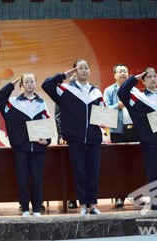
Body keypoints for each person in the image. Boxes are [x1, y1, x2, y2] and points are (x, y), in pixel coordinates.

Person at [42, 59, 105, 216]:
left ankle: (93, 204)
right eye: (80, 68)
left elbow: (104, 112)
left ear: (89, 71)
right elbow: (46, 85)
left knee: (93, 172)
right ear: (75, 71)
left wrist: (105, 123)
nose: (83, 70)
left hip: (94, 138)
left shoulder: (96, 91)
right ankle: (83, 204)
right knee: (80, 172)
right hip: (75, 139)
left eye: (86, 67)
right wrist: (63, 75)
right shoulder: (65, 89)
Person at [117, 67, 157, 210]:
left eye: (155, 76)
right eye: (149, 76)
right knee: (154, 176)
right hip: (149, 144)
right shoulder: (137, 98)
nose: (153, 78)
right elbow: (122, 93)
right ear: (144, 81)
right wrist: (136, 78)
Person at [0, 73, 51, 217]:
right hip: (20, 148)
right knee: (22, 178)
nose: (29, 84)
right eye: (26, 82)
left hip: (38, 148)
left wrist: (47, 140)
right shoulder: (13, 102)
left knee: (37, 179)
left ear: (35, 84)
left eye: (32, 81)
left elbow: (46, 122)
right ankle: (25, 208)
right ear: (22, 85)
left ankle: (36, 208)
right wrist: (10, 85)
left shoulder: (41, 102)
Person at [103, 63, 139, 208]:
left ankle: (137, 195)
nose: (123, 73)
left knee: (135, 164)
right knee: (119, 165)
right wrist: (117, 106)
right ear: (114, 75)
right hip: (117, 131)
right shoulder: (109, 91)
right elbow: (104, 110)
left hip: (134, 131)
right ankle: (119, 196)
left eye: (125, 71)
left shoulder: (135, 90)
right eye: (120, 71)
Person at [54, 103, 78, 210]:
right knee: (69, 170)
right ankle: (72, 198)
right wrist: (61, 135)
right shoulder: (62, 97)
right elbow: (58, 117)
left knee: (83, 168)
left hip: (81, 136)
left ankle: (86, 199)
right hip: (66, 138)